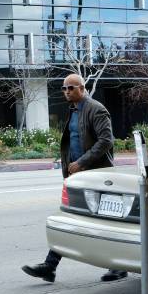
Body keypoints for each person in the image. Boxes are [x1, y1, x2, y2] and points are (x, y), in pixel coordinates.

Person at [22, 74, 127, 283]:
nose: (66, 92)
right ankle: (49, 267)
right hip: (78, 177)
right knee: (68, 219)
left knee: (105, 221)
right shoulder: (73, 110)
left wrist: (82, 162)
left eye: (71, 88)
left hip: (97, 175)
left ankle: (118, 266)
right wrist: (70, 165)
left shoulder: (96, 108)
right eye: (64, 88)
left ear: (82, 88)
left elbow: (106, 140)